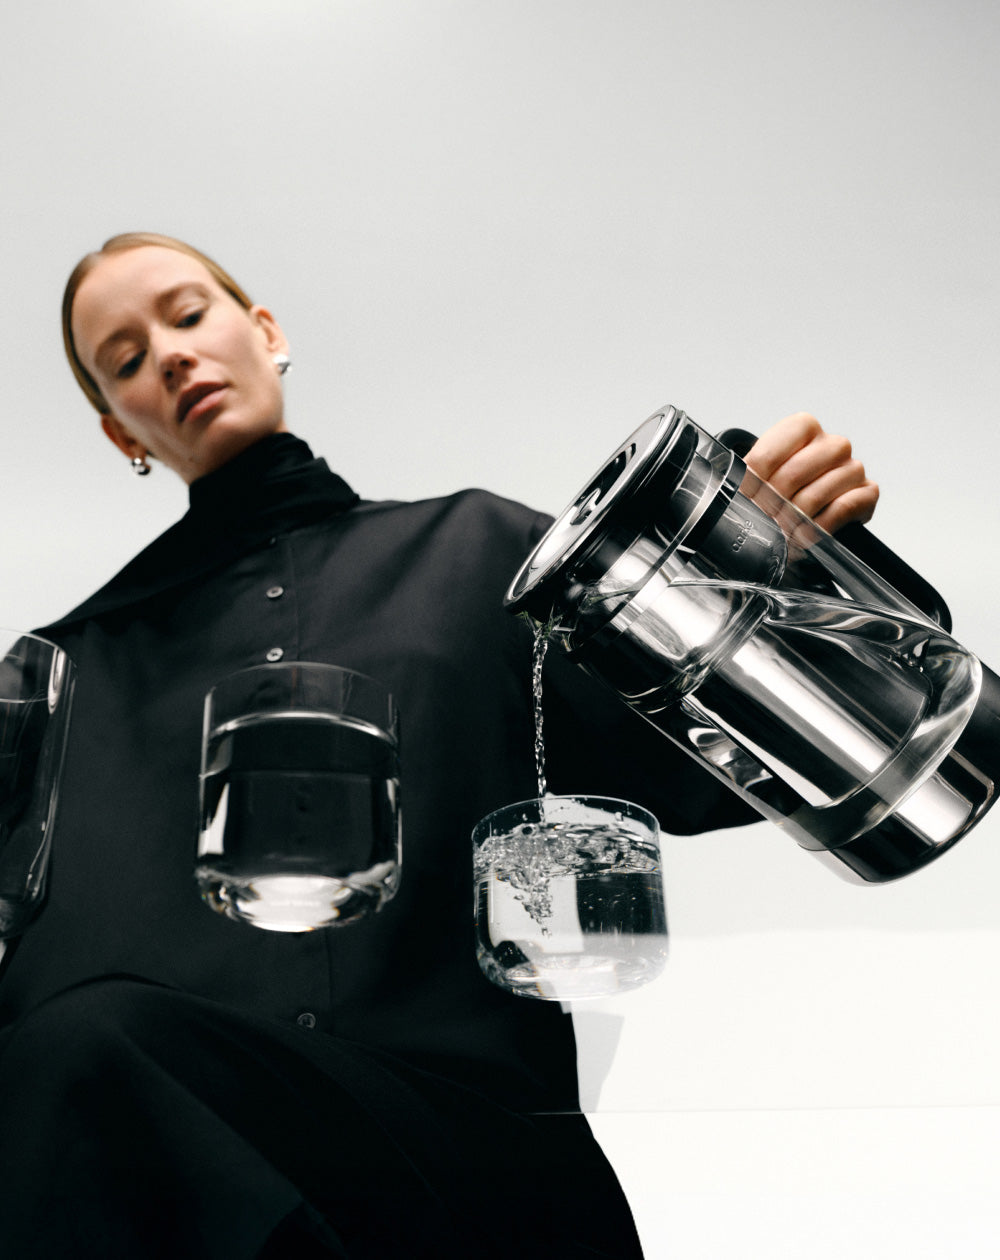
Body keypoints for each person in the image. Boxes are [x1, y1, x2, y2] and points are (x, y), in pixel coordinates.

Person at [0, 233, 878, 1259]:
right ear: (121, 432)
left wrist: (776, 573)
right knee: (72, 1056)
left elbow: (750, 761)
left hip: (455, 1169)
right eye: (126, 356)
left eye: (188, 315)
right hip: (121, 1184)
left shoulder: (484, 559)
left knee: (86, 1048)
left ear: (264, 331)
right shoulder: (57, 676)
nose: (172, 356)